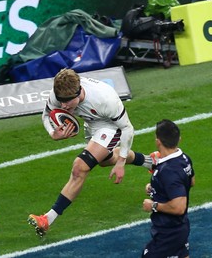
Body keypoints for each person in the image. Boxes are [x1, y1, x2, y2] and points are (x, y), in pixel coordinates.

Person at [27, 68, 157, 237]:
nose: (63, 106)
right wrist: (53, 134)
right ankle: (151, 161)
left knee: (79, 167)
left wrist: (121, 163)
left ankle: (47, 219)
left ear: (79, 92)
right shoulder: (59, 94)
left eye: (67, 102)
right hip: (91, 123)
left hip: (110, 126)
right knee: (104, 160)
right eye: (61, 101)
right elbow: (46, 115)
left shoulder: (104, 99)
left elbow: (127, 128)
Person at [141, 119, 195, 258]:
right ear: (179, 139)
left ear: (158, 141)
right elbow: (191, 181)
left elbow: (179, 207)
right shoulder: (184, 158)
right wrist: (156, 188)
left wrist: (153, 205)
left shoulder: (168, 170)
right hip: (180, 227)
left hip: (169, 232)